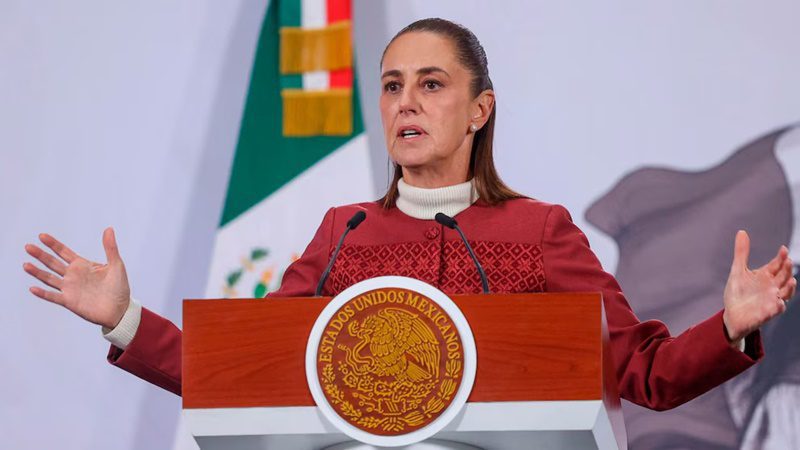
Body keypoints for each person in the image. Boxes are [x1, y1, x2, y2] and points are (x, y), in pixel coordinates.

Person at [23, 19, 796, 411]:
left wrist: (729, 327)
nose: (405, 103)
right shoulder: (345, 232)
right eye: (392, 86)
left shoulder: (539, 230)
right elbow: (246, 371)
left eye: (431, 84)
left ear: (479, 110)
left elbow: (643, 374)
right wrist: (126, 320)